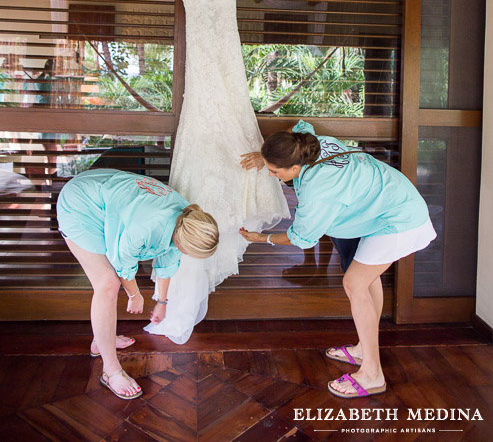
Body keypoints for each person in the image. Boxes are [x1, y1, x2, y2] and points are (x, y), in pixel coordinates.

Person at [240, 120, 436, 400]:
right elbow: (302, 126)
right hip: (389, 204)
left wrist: (262, 239)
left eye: (274, 171)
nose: (271, 175)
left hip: (399, 219)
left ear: (294, 168)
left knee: (355, 284)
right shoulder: (312, 144)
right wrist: (267, 156)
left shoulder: (317, 190)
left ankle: (372, 375)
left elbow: (301, 237)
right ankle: (362, 350)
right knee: (365, 282)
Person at [57, 168, 219, 400]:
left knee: (110, 280)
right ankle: (110, 371)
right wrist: (135, 296)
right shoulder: (144, 228)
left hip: (106, 198)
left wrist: (162, 302)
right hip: (80, 201)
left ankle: (101, 340)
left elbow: (168, 260)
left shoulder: (187, 219)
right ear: (181, 239)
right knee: (107, 283)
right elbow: (123, 263)